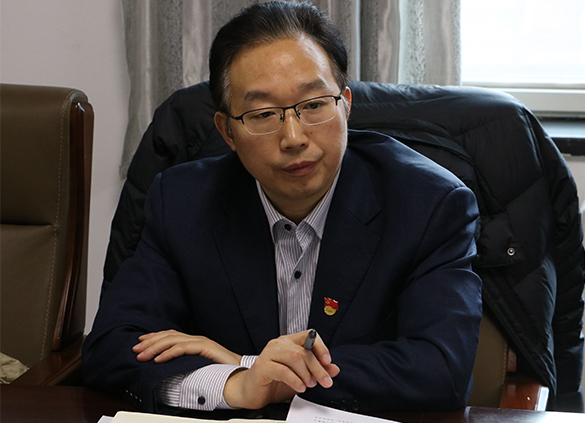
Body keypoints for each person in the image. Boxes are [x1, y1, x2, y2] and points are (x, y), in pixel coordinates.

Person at [83, 1, 482, 416]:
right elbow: (111, 347)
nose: (293, 138)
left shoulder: (427, 205)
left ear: (345, 104)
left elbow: (442, 369)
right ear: (227, 131)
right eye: (263, 114)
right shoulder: (183, 202)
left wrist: (256, 371)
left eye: (314, 105)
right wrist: (236, 385)